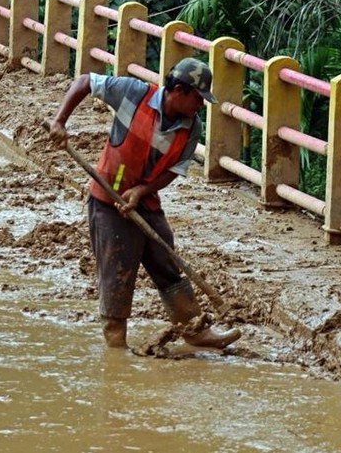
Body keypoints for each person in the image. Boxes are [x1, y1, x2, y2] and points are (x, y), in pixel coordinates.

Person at [47, 58, 242, 350]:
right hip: (108, 198)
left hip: (145, 200)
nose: (200, 105)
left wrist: (141, 191)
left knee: (166, 259)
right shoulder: (133, 92)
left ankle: (193, 328)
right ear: (178, 90)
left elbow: (173, 171)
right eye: (198, 98)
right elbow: (84, 81)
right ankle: (116, 346)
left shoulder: (191, 128)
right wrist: (60, 121)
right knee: (117, 273)